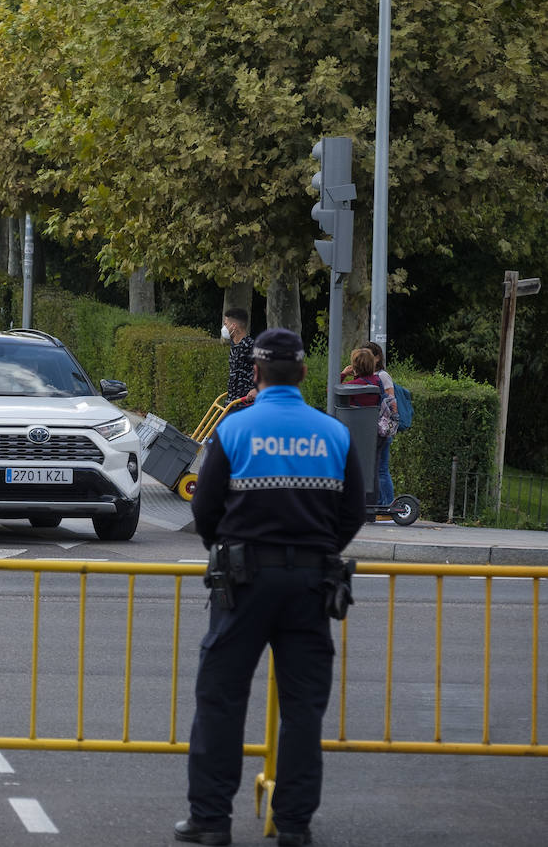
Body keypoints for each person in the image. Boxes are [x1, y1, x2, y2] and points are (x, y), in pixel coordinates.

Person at [174, 328, 366, 847]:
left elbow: (204, 510)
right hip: (311, 583)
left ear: (255, 374)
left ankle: (211, 821)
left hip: (242, 580)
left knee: (221, 698)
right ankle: (294, 825)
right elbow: (352, 513)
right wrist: (317, 548)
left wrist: (229, 547)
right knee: (304, 708)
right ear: (304, 374)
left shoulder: (235, 429)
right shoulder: (333, 433)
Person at [341, 341, 397, 508]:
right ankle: (374, 504)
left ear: (355, 366)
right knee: (375, 468)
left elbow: (333, 393)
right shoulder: (377, 381)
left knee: (355, 468)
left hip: (357, 433)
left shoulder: (351, 386)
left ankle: (358, 501)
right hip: (377, 431)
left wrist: (343, 374)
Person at [221, 308, 256, 406]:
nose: (224, 327)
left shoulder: (251, 346)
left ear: (234, 326)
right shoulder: (234, 346)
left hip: (246, 404)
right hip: (232, 402)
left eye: (226, 324)